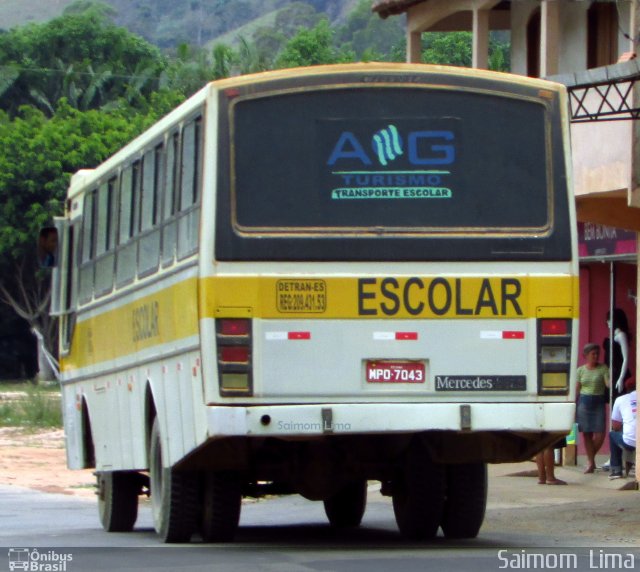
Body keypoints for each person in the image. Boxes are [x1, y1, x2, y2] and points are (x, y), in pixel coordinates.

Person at [576, 343, 610, 473]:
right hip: (584, 402)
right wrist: (573, 403)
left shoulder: (603, 368)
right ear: (586, 356)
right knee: (587, 433)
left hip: (598, 402)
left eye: (597, 354)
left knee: (600, 434)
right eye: (593, 354)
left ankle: (590, 458)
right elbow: (577, 389)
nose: (595, 356)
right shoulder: (580, 370)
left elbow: (607, 383)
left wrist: (610, 381)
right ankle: (591, 463)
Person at [608, 377, 637, 480]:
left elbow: (616, 426)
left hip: (630, 442)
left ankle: (616, 470)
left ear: (626, 388)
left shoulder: (621, 399)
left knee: (612, 435)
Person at [603, 308, 632, 403]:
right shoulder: (612, 335)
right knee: (613, 403)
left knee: (620, 400)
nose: (607, 322)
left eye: (609, 319)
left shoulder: (621, 335)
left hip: (618, 372)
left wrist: (621, 378)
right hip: (611, 373)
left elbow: (626, 358)